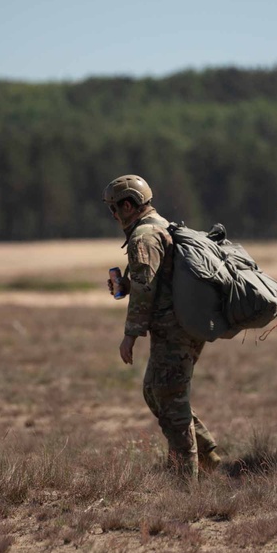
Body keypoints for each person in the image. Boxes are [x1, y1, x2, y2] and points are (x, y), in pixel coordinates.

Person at [102, 174, 221, 480]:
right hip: (185, 325)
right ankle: (209, 458)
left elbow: (145, 288)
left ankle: (185, 482)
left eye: (114, 209)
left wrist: (130, 335)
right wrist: (124, 284)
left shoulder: (143, 237)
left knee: (169, 397)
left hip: (174, 328)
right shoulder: (161, 225)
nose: (113, 215)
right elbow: (153, 278)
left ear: (128, 206)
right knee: (157, 392)